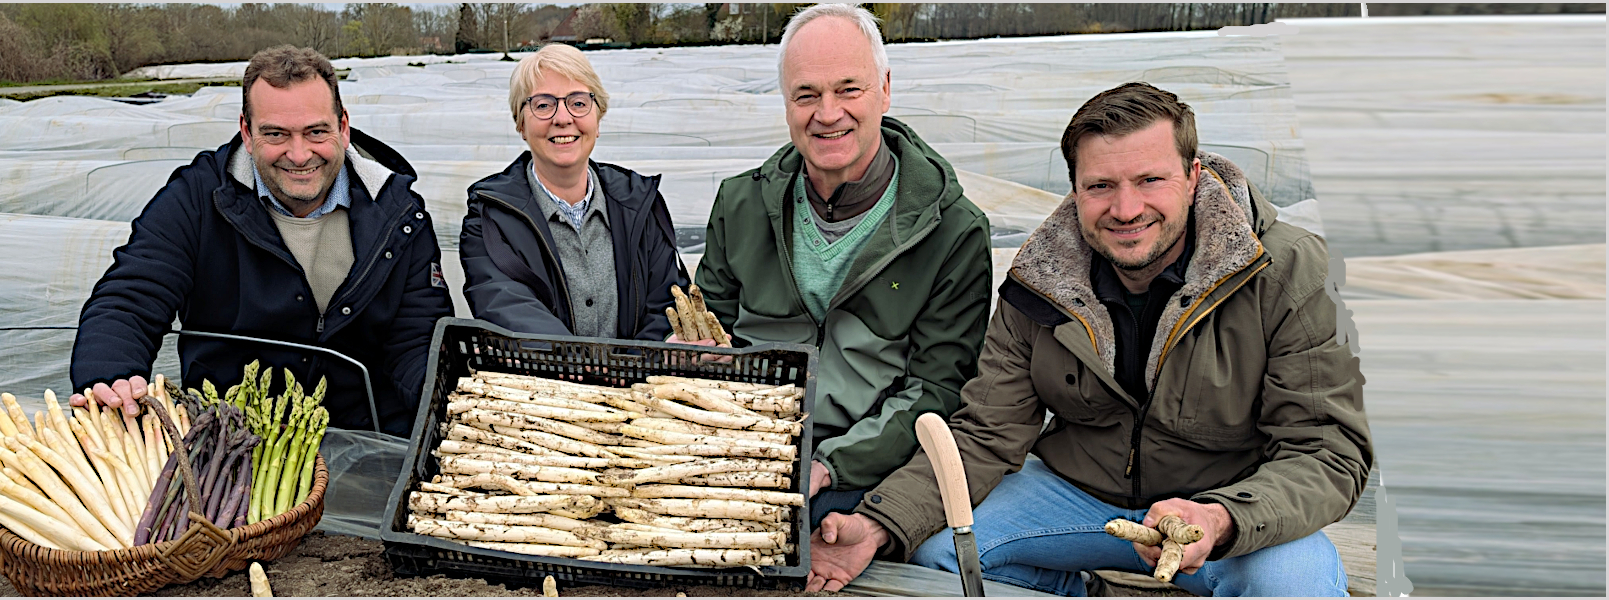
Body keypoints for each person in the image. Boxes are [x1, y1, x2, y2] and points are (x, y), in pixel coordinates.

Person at [806, 82, 1373, 596]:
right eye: (1100, 186)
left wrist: (1221, 519)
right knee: (939, 549)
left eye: (1150, 180)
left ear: (1194, 175)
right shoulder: (1040, 280)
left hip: (1228, 509)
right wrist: (880, 522)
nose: (1126, 209)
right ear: (1075, 188)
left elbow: (1328, 451)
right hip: (1078, 498)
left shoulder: (1287, 271)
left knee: (1296, 586)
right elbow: (986, 432)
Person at [689, 4, 994, 527]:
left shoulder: (952, 231)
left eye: (848, 89)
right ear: (785, 103)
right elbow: (710, 327)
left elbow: (937, 389)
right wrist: (694, 359)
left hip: (862, 468)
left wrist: (829, 465)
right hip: (742, 452)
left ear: (885, 89)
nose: (827, 114)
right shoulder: (740, 203)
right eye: (806, 95)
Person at [69, 45, 452, 437]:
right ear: (247, 133)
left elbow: (418, 338)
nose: (299, 154)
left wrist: (447, 406)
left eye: (316, 132)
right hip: (230, 438)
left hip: (365, 438)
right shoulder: (198, 198)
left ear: (343, 127)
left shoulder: (397, 211)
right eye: (276, 134)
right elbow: (132, 297)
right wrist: (110, 374)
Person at [459, 43, 687, 341]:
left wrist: (627, 369)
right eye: (543, 105)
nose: (563, 118)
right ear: (521, 124)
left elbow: (667, 305)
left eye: (578, 103)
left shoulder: (640, 204)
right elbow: (506, 307)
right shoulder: (490, 217)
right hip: (543, 385)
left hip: (640, 383)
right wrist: (588, 367)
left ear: (598, 118)